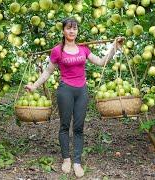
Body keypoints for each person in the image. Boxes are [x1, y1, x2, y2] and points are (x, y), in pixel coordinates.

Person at [25, 18, 124, 177]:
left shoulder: (83, 48)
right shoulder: (57, 50)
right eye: (69, 28)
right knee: (64, 126)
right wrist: (34, 86)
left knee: (78, 127)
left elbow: (100, 62)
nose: (72, 31)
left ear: (77, 31)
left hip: (82, 91)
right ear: (63, 31)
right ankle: (66, 159)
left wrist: (114, 48)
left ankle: (77, 161)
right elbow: (48, 72)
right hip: (65, 91)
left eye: (75, 28)